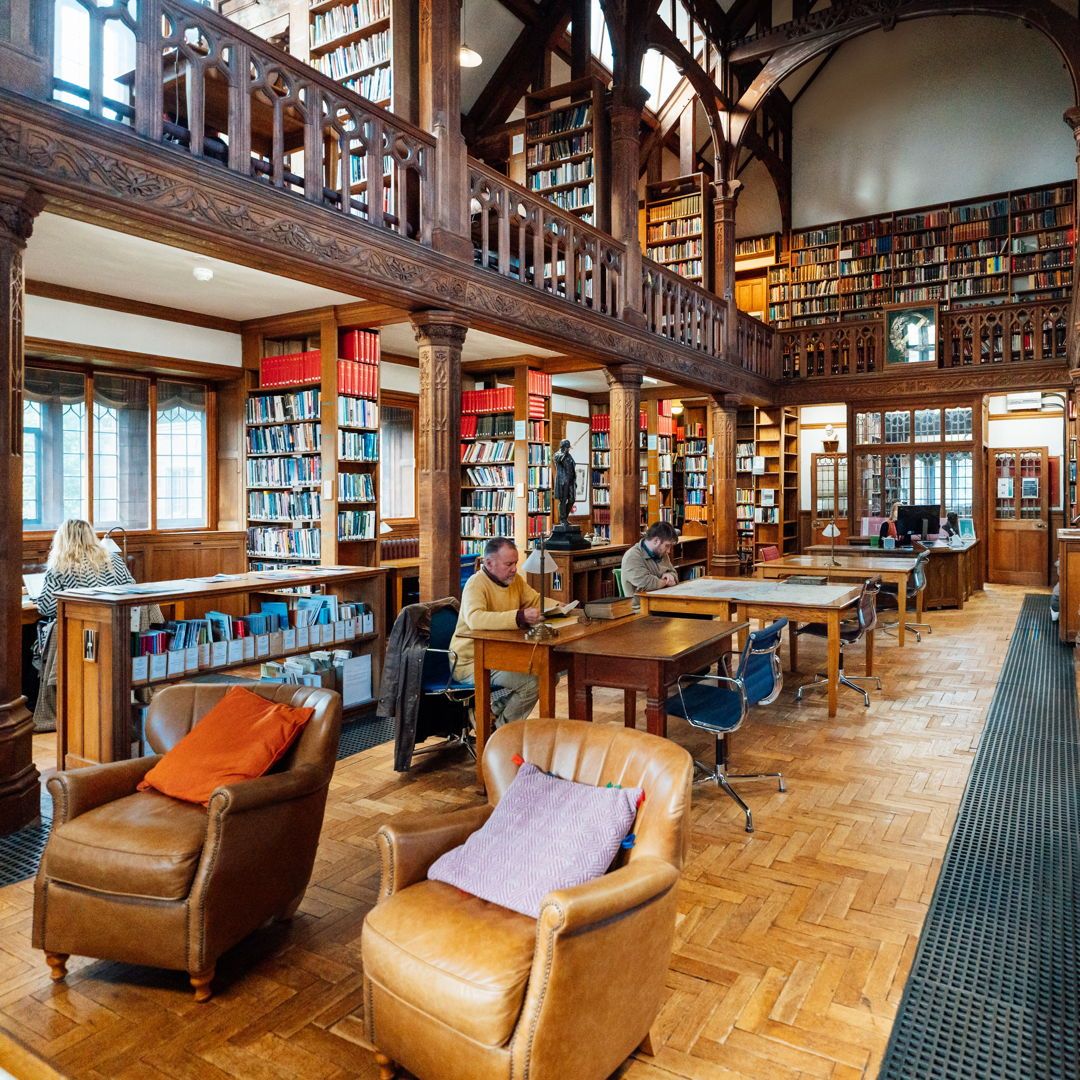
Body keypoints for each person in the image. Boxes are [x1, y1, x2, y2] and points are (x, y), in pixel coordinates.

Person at [449, 537, 542, 724]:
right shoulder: (476, 584)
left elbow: (536, 601)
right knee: (533, 683)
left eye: (515, 563)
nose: (514, 569)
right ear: (489, 563)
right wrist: (519, 617)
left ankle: (490, 713)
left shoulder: (514, 581)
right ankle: (502, 731)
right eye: (509, 564)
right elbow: (475, 619)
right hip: (472, 661)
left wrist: (564, 608)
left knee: (548, 674)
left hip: (499, 654)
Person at [34, 519, 136, 664]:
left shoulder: (61, 565)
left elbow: (47, 608)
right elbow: (131, 588)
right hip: (118, 624)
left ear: (62, 539)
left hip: (82, 630)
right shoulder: (114, 559)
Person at [621, 521, 679, 598]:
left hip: (662, 600)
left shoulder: (662, 553)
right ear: (656, 541)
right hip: (641, 604)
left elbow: (674, 574)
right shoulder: (632, 557)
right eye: (667, 546)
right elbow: (647, 584)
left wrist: (670, 575)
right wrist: (667, 581)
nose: (668, 551)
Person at [552, 438, 576, 525]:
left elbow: (572, 466)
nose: (568, 449)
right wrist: (565, 453)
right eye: (567, 447)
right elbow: (559, 459)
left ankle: (565, 517)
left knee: (572, 499)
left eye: (568, 448)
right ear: (563, 447)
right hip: (562, 481)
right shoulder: (557, 455)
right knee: (563, 500)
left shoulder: (569, 456)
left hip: (571, 481)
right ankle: (562, 519)